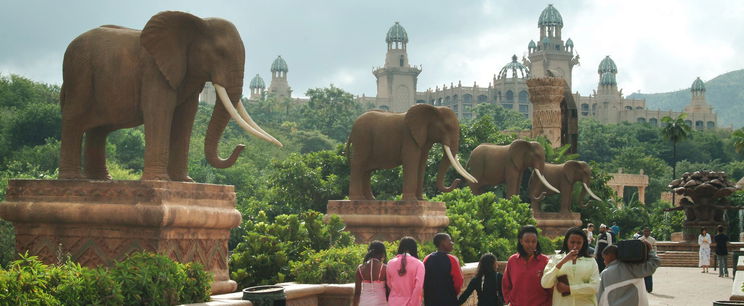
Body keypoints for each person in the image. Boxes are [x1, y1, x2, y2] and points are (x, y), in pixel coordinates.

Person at [542, 227, 600, 306]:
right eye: (572, 242)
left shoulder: (591, 262)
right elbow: (545, 283)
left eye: (579, 243)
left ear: (584, 243)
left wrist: (569, 289)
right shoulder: (556, 259)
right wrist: (563, 261)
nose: (575, 246)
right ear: (566, 242)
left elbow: (595, 287)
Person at [502, 225, 552, 306]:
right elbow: (506, 284)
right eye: (527, 241)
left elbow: (551, 288)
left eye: (533, 241)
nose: (530, 244)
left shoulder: (545, 261)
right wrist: (509, 300)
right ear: (521, 241)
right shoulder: (512, 260)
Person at [423, 233, 463, 306]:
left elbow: (423, 280)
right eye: (449, 241)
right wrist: (452, 293)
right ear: (442, 243)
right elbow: (458, 282)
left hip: (430, 300)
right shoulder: (452, 259)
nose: (452, 243)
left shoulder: (427, 259)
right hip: (449, 300)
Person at [387, 237, 425, 306]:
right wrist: (413, 303)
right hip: (411, 303)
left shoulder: (390, 263)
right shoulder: (419, 264)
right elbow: (418, 287)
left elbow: (389, 284)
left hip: (393, 302)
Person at [354, 241, 388, 306]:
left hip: (364, 302)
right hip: (381, 302)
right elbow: (388, 290)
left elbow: (357, 293)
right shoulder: (384, 268)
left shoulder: (360, 268)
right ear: (382, 253)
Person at [637, 228, 657, 293]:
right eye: (645, 231)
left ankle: (649, 288)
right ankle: (642, 288)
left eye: (648, 231)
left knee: (649, 273)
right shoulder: (640, 239)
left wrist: (653, 256)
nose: (646, 232)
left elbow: (654, 249)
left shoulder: (652, 239)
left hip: (649, 258)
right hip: (642, 258)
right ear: (643, 232)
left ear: (650, 232)